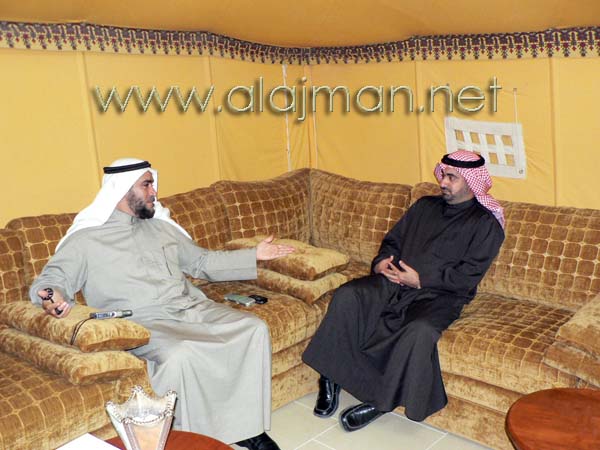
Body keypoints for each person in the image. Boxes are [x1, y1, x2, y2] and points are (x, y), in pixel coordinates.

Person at [30, 158, 295, 450]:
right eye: (146, 185)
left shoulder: (161, 228)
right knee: (180, 354)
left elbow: (201, 262)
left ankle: (247, 429)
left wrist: (253, 254)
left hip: (189, 307)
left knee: (253, 328)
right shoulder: (86, 240)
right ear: (121, 189)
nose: (154, 191)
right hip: (143, 321)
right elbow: (52, 280)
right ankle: (192, 441)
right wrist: (51, 296)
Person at [302, 150, 505, 432]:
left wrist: (421, 280)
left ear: (472, 182)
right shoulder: (424, 206)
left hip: (441, 294)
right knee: (349, 294)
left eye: (451, 178)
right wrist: (382, 261)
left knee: (420, 330)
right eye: (443, 175)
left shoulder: (486, 224)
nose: (442, 182)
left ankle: (380, 402)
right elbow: (394, 240)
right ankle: (330, 376)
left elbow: (467, 276)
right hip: (394, 280)